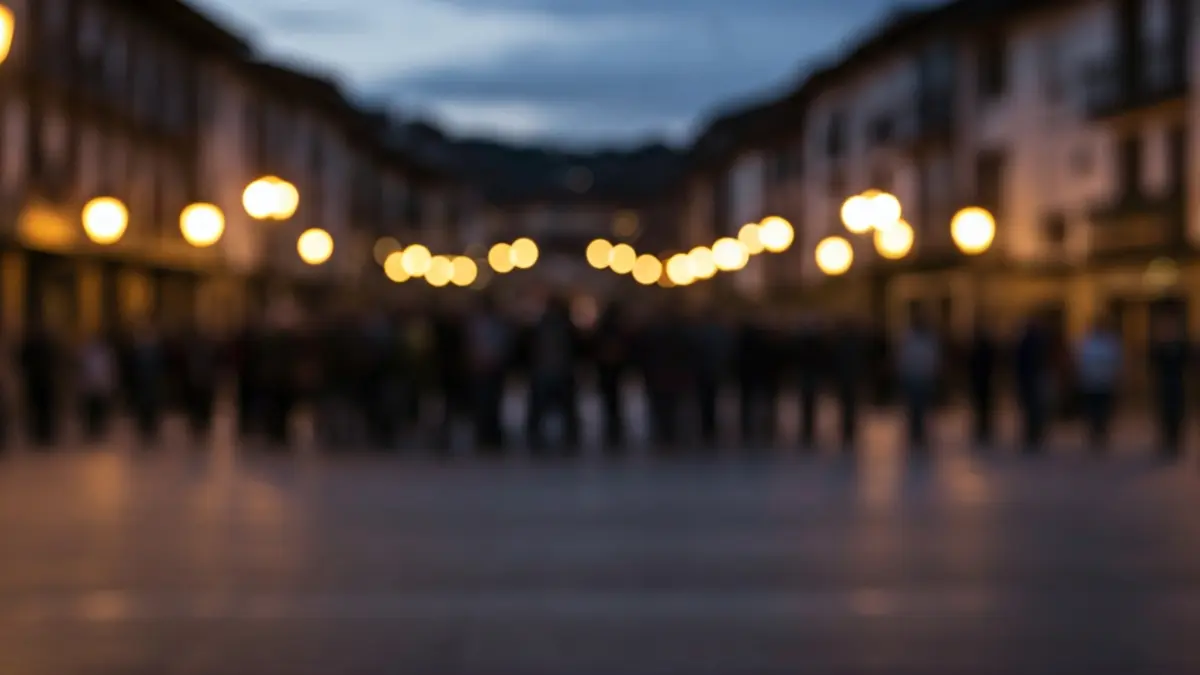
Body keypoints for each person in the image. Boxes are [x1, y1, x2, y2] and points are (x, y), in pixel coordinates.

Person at [525, 296, 581, 454]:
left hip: (560, 371)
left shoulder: (565, 328)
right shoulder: (542, 328)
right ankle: (538, 436)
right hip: (546, 371)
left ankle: (569, 436)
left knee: (565, 407)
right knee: (542, 407)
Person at [465, 297, 511, 453]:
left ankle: (492, 434)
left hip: (494, 369)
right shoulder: (476, 324)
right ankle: (482, 434)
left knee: (493, 403)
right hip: (480, 369)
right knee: (481, 403)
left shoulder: (497, 324)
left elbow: (503, 345)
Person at [1075, 317, 1122, 451]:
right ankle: (1094, 432)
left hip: (1105, 382)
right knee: (1092, 409)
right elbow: (1082, 362)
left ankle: (1101, 431)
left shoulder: (1110, 343)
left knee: (1104, 410)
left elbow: (1117, 361)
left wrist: (1116, 377)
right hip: (1091, 382)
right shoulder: (1088, 343)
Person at [896, 311, 940, 452]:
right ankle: (915, 434)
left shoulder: (926, 339)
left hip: (922, 378)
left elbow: (933, 359)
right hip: (914, 377)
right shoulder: (910, 339)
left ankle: (919, 434)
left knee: (922, 408)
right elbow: (903, 359)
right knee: (914, 408)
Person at [1148, 311, 1188, 458]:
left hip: (1177, 384)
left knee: (1177, 413)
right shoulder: (1159, 347)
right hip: (1163, 384)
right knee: (1164, 412)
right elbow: (1152, 362)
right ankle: (1166, 438)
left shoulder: (1181, 346)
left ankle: (1175, 439)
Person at [77, 331, 117, 444]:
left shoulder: (105, 353)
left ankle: (99, 429)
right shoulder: (86, 352)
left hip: (100, 385)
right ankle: (92, 430)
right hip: (90, 385)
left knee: (100, 408)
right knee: (91, 409)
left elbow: (109, 369)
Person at [967, 318, 998, 448]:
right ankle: (983, 428)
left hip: (982, 381)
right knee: (983, 407)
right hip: (984, 381)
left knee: (982, 407)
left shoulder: (978, 347)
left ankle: (983, 428)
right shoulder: (985, 348)